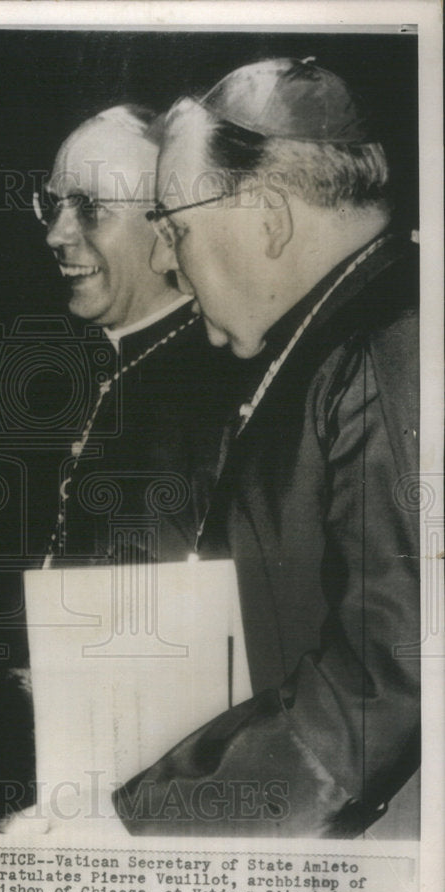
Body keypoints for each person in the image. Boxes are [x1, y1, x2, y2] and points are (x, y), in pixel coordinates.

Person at [114, 57, 420, 837]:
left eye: (176, 227)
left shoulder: (397, 343)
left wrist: (147, 820)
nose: (164, 262)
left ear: (271, 219)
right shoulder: (338, 331)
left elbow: (389, 684)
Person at [36, 105, 258, 565]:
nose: (56, 235)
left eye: (91, 209)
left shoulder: (220, 385)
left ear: (167, 229)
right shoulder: (56, 367)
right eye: (53, 204)